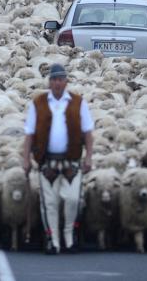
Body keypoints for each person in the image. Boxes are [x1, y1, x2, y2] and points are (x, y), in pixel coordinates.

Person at [22, 64, 94, 255]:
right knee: (50, 203)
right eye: (54, 79)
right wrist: (26, 158)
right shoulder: (38, 103)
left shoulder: (78, 103)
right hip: (48, 162)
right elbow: (29, 133)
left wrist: (89, 156)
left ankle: (69, 236)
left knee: (73, 199)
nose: (57, 83)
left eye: (60, 79)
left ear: (66, 81)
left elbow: (87, 132)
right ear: (49, 82)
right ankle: (52, 240)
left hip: (71, 161)